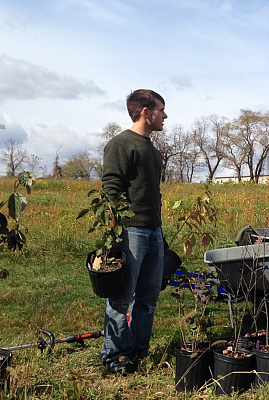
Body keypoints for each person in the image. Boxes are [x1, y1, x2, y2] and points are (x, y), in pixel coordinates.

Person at [101, 89, 167, 373]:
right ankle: (115, 357)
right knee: (121, 298)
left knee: (148, 298)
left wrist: (159, 230)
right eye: (160, 110)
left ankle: (139, 351)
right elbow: (111, 187)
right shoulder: (121, 144)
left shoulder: (153, 149)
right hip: (132, 233)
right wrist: (114, 232)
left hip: (154, 232)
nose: (165, 116)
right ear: (145, 111)